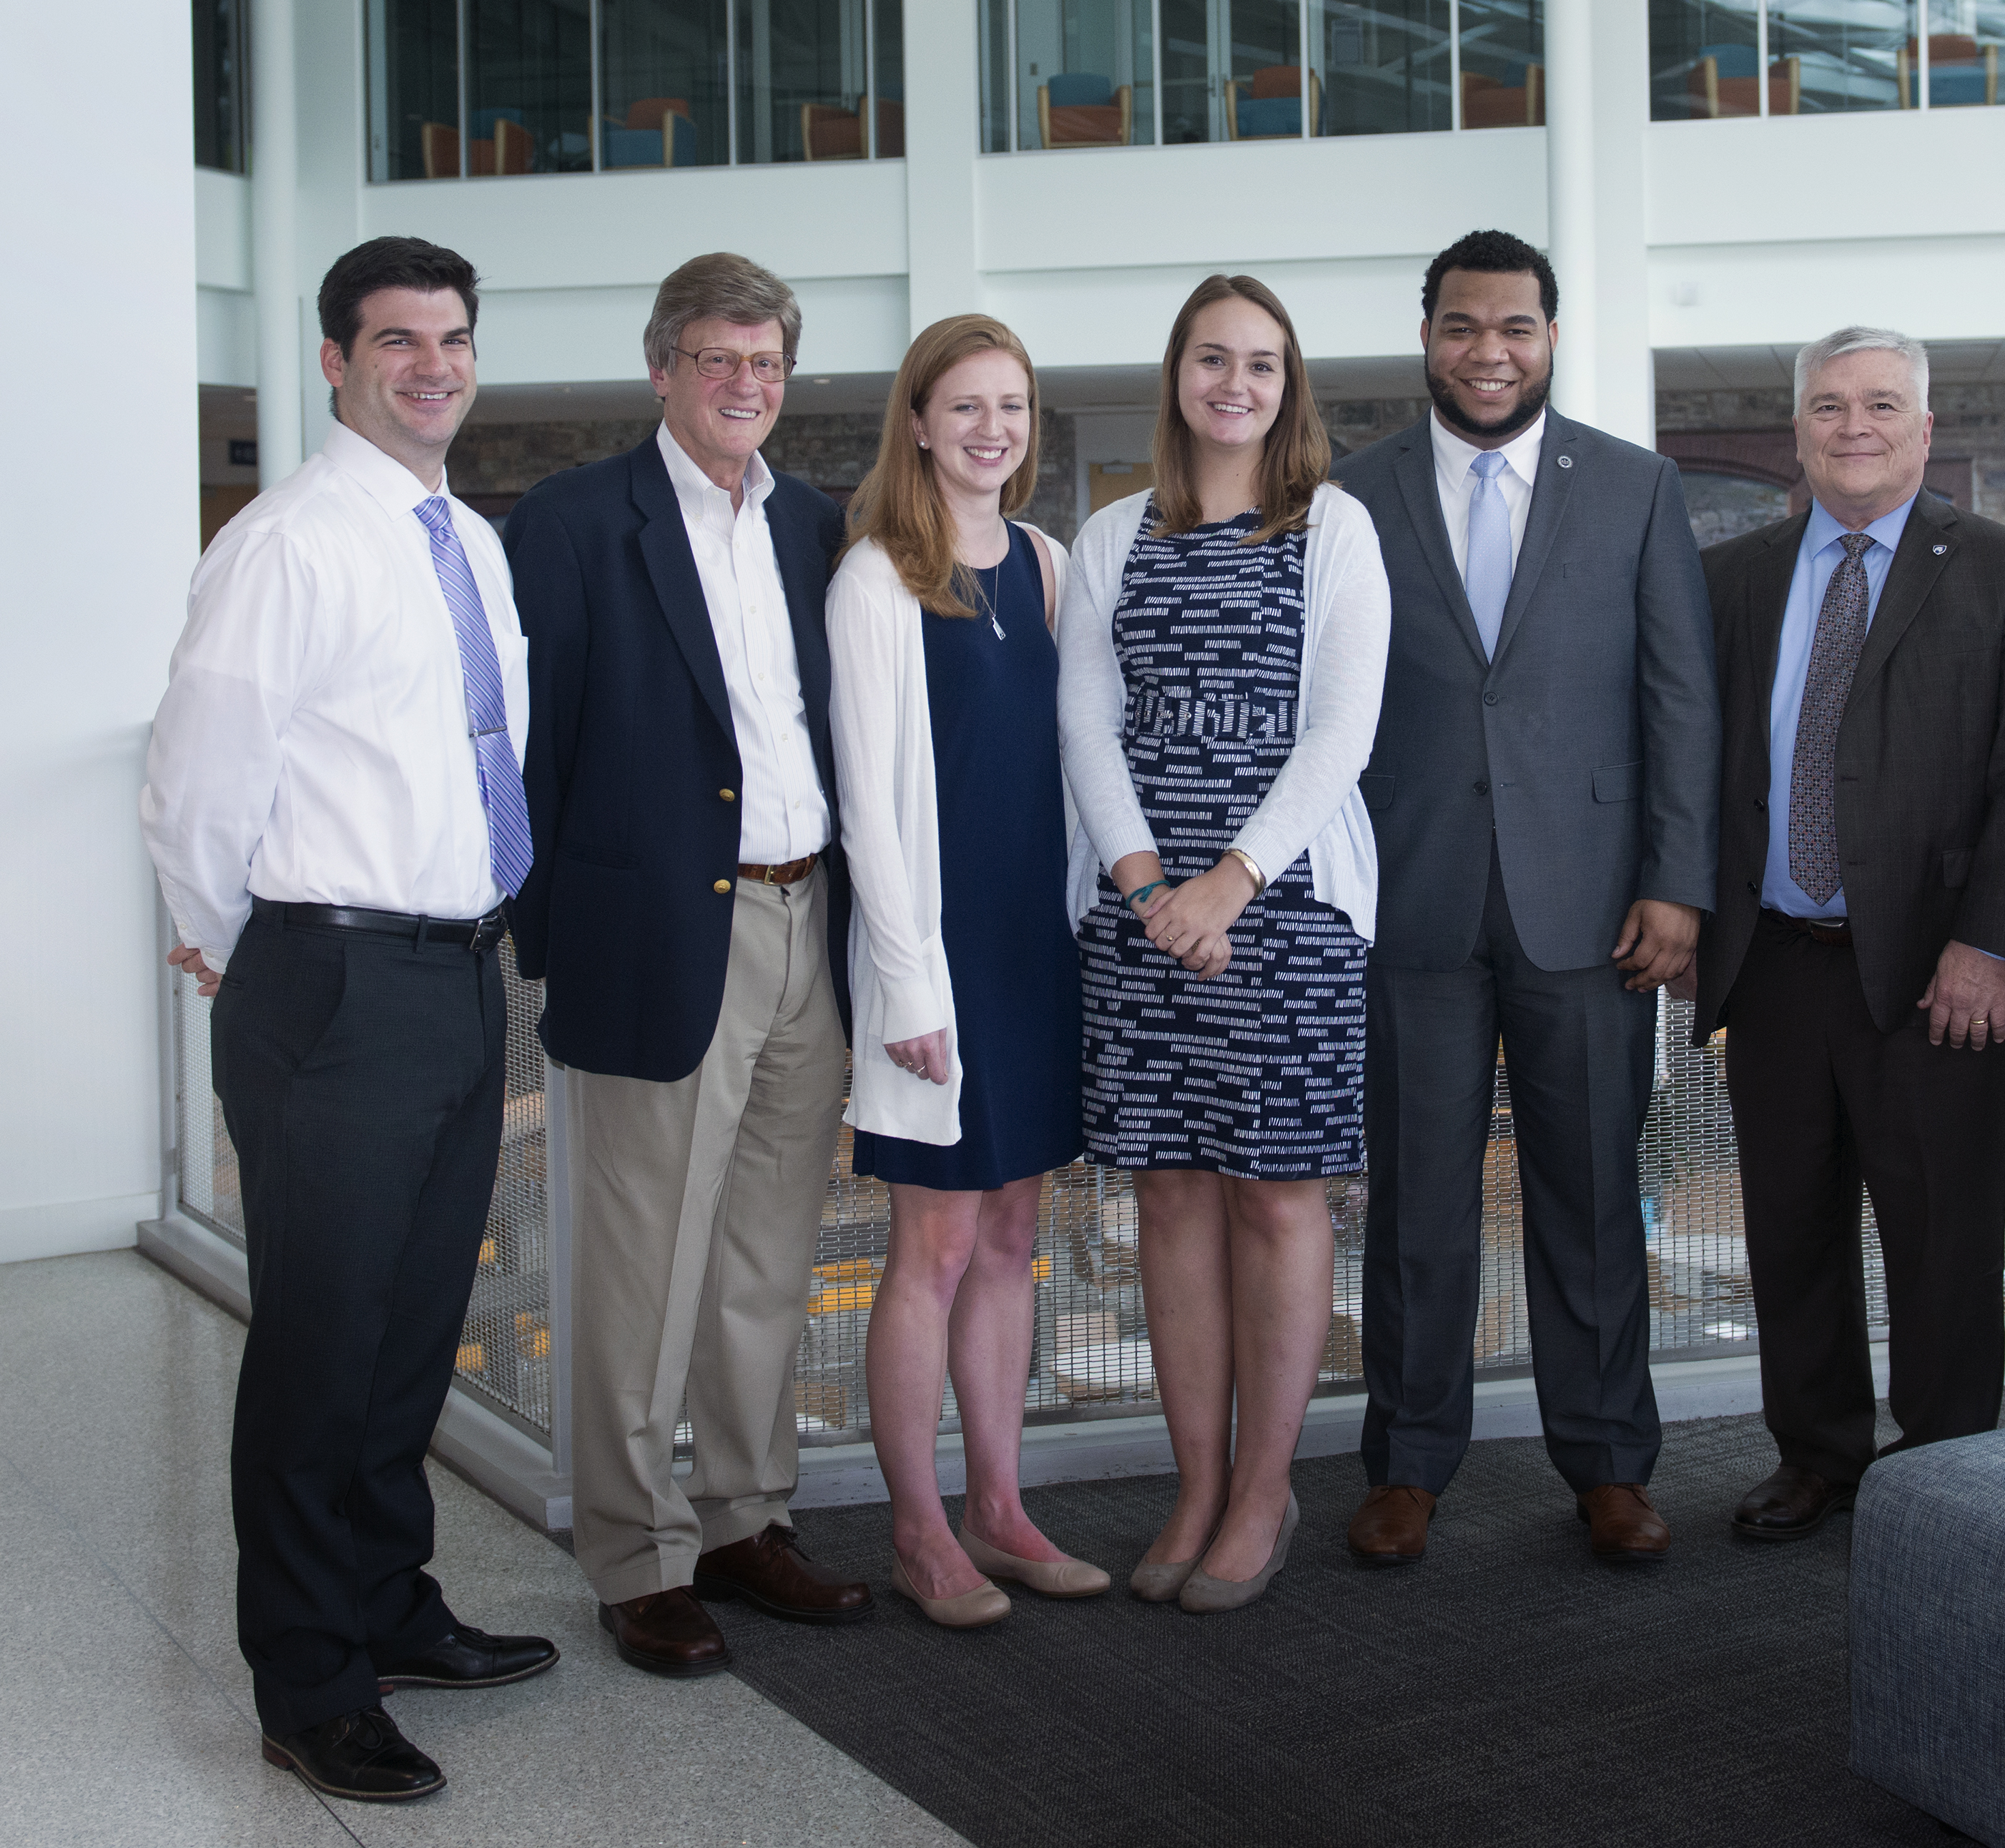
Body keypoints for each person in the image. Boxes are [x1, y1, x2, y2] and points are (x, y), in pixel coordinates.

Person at [140, 236, 557, 1802]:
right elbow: (195, 782)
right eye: (397, 341)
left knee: (406, 1333)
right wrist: (237, 949)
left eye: (452, 337)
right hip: (331, 977)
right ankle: (308, 1677)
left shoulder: (466, 539)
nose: (432, 365)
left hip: (456, 972)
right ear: (336, 361)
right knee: (323, 1344)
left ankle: (389, 1607)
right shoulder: (289, 543)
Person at [1331, 230, 1719, 1569]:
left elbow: (1679, 696)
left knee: (1596, 1198)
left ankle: (1608, 1463)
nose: (1486, 352)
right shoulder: (1347, 494)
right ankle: (1409, 1462)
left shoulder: (1634, 486)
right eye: (1460, 326)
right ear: (1423, 333)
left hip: (1595, 908)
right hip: (1412, 905)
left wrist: (1678, 881)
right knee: (1418, 1204)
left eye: (1513, 328)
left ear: (1551, 335)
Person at [505, 253, 867, 1678]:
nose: (742, 386)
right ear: (661, 368)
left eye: (764, 363)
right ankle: (634, 1549)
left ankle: (739, 1517)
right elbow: (533, 751)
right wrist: (551, 947)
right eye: (716, 360)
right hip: (656, 935)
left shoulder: (819, 527)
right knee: (639, 1266)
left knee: (769, 1256)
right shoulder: (576, 519)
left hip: (805, 924)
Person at [1688, 327, 2005, 1543]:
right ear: (1797, 429)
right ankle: (1816, 1457)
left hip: (1934, 973)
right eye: (1825, 406)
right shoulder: (1732, 577)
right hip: (1774, 967)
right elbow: (1700, 769)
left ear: (1923, 427)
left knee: (1942, 1238)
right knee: (1790, 1232)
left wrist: (1990, 944)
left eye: (1878, 405)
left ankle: (1947, 1474)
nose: (1850, 425)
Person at [1058, 273, 1391, 1613]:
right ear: (1177, 377)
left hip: (1289, 906)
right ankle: (1194, 1486)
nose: (1234, 383)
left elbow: (1340, 734)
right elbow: (1085, 724)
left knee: (1274, 1195)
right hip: (1142, 915)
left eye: (1260, 362)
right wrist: (1150, 887)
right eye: (1211, 358)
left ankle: (1265, 1492)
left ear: (1287, 383)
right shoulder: (1105, 535)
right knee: (1170, 1198)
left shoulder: (1336, 531)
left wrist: (1230, 883)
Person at [828, 315, 1107, 1628]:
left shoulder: (1049, 564)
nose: (991, 429)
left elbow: (1070, 763)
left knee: (1012, 1234)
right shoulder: (878, 575)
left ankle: (998, 1508)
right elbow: (868, 814)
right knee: (931, 1244)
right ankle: (918, 1528)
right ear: (920, 424)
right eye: (964, 407)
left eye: (1012, 407)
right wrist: (905, 983)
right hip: (934, 958)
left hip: (1031, 949)